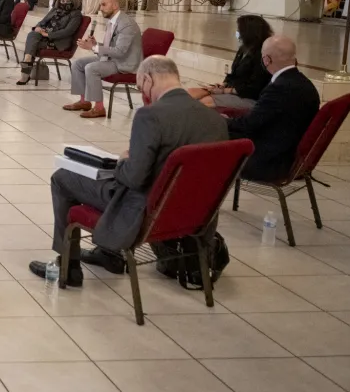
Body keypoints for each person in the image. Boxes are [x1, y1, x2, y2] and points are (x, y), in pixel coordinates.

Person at [30, 56, 227, 286]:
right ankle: (107, 254)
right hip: (192, 211)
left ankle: (68, 266)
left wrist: (123, 161)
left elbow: (134, 178)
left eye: (139, 85)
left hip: (144, 211)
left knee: (63, 178)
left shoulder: (151, 115)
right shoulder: (215, 120)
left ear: (147, 78)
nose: (142, 91)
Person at [226, 35, 321, 183]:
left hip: (269, 162)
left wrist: (223, 122)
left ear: (266, 60)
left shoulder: (279, 88)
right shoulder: (305, 84)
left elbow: (251, 125)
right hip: (288, 154)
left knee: (211, 140)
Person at [62, 0, 142, 119]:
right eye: (100, 5)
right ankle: (84, 101)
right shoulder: (113, 21)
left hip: (124, 63)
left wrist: (94, 47)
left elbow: (120, 52)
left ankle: (99, 108)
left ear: (115, 5)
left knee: (91, 68)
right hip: (112, 59)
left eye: (104, 5)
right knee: (78, 64)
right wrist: (95, 44)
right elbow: (111, 47)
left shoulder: (126, 24)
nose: (100, 8)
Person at [187, 15, 273, 110]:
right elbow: (233, 74)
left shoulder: (261, 55)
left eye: (239, 30)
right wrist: (223, 85)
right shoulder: (243, 49)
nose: (237, 32)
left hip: (247, 96)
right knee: (190, 93)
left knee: (204, 102)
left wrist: (225, 91)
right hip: (231, 89)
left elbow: (253, 88)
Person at [15, 0, 83, 86]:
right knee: (32, 34)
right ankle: (28, 59)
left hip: (58, 41)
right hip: (45, 35)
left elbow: (68, 31)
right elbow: (42, 22)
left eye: (67, 2)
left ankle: (25, 72)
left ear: (72, 1)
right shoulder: (55, 10)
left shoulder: (76, 14)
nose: (64, 4)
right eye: (62, 1)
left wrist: (48, 35)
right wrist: (38, 27)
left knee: (32, 44)